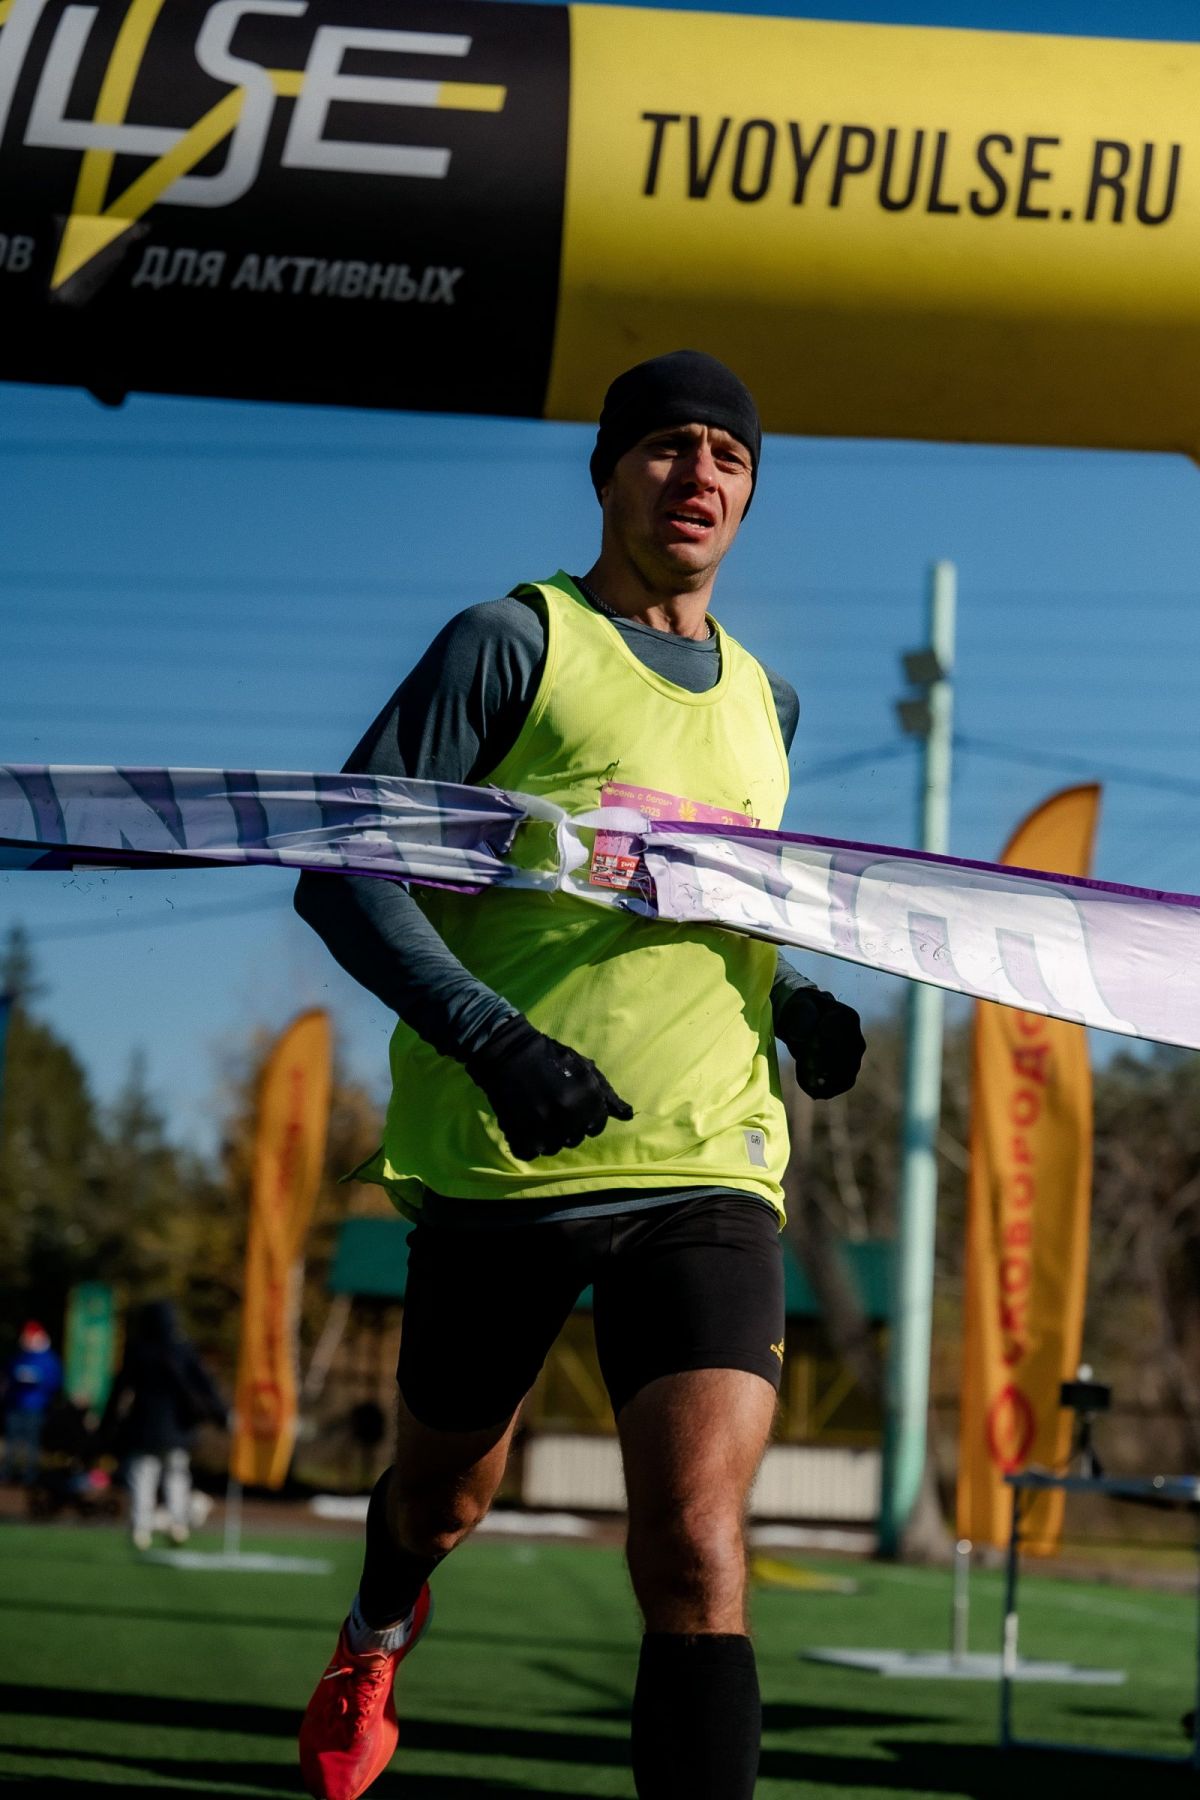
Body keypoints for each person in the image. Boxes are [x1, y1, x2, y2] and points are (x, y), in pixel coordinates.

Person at [294, 349, 865, 1800]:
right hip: (509, 1157)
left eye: (729, 456)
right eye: (668, 445)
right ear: (608, 470)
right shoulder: (509, 644)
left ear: (750, 495)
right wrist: (495, 1042)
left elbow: (702, 910)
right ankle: (378, 1624)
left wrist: (797, 1002)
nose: (699, 475)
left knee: (697, 1544)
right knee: (445, 1497)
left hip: (707, 1162)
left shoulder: (772, 704)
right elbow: (344, 873)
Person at [100, 1299, 226, 1550]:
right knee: (176, 1477)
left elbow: (119, 1388)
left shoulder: (138, 1350)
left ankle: (141, 1528)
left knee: (142, 1477)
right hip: (178, 1428)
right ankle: (177, 1524)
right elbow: (204, 1384)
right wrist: (221, 1414)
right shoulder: (183, 1349)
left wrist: (107, 1424)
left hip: (143, 1427)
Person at [1, 1320, 62, 1485]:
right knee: (11, 1441)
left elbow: (54, 1382)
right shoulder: (19, 1356)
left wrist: (38, 1381)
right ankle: (8, 1473)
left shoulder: (49, 1359)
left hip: (36, 1407)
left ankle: (30, 1475)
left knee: (32, 1442)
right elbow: (7, 1376)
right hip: (15, 1404)